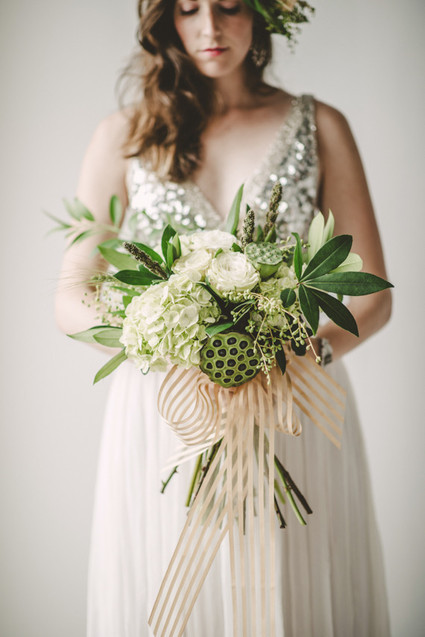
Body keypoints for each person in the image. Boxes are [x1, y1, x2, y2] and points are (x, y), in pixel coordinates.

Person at [56, 0, 392, 635]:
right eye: (188, 9)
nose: (209, 27)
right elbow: (72, 296)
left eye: (229, 6)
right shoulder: (123, 135)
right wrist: (166, 344)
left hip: (291, 399)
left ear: (264, 13)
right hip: (170, 407)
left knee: (294, 580)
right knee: (176, 587)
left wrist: (297, 357)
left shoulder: (320, 125)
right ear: (167, 21)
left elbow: (372, 294)